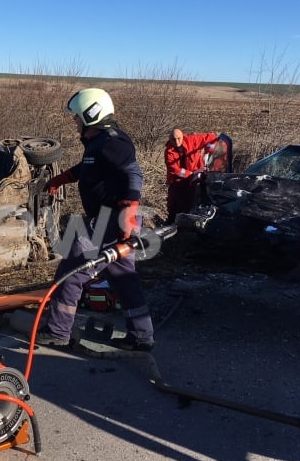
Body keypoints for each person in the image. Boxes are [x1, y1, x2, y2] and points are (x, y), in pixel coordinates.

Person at [38, 88, 155, 351]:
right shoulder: (98, 143)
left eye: (77, 116)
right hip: (111, 219)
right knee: (123, 278)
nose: (74, 121)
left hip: (108, 220)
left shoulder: (113, 141)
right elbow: (89, 168)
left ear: (91, 114)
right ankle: (142, 336)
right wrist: (60, 179)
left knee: (72, 271)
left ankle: (57, 331)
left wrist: (129, 210)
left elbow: (133, 173)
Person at [164, 128, 219, 224]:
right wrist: (189, 174)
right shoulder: (169, 152)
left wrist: (208, 150)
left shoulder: (192, 140)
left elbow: (212, 137)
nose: (177, 142)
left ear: (182, 136)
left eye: (179, 138)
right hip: (177, 181)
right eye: (173, 139)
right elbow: (175, 170)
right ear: (169, 139)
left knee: (190, 203)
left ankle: (185, 224)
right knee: (173, 204)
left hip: (194, 180)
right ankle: (171, 222)